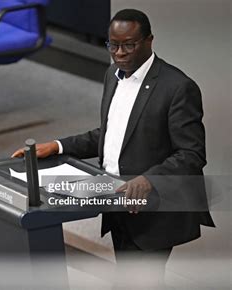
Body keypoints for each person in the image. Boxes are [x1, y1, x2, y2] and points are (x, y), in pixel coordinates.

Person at [12, 8, 214, 286]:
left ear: (149, 41)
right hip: (115, 201)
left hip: (154, 210)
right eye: (113, 45)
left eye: (128, 44)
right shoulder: (112, 75)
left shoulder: (178, 88)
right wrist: (58, 146)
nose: (119, 52)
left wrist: (148, 180)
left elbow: (191, 154)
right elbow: (110, 136)